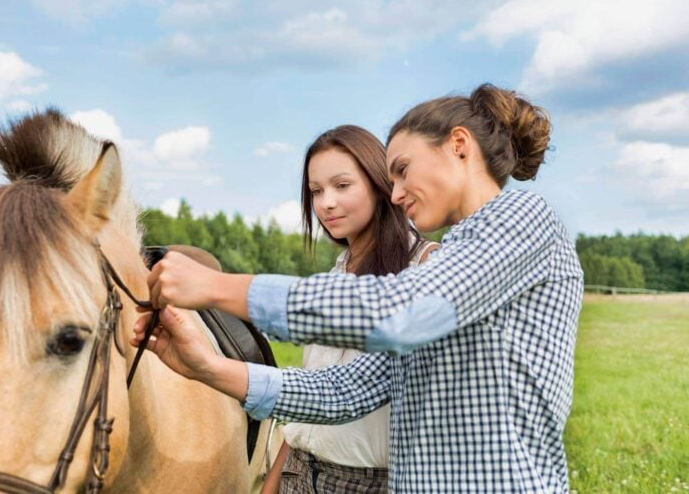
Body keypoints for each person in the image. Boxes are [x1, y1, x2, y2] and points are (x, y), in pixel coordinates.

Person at [132, 83, 584, 493]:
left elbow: (402, 312)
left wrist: (215, 286)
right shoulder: (453, 268)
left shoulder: (522, 218)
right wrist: (206, 367)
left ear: (459, 145)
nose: (397, 192)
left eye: (403, 170)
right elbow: (343, 392)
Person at [258, 124, 438, 493]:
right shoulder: (334, 275)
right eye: (315, 192)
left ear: (378, 183)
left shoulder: (428, 269)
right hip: (300, 472)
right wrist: (273, 482)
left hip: (371, 482)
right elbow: (313, 398)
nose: (326, 203)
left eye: (342, 186)